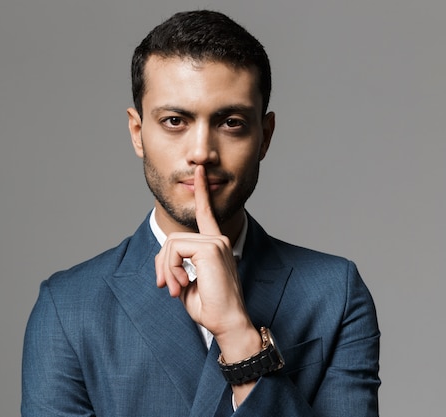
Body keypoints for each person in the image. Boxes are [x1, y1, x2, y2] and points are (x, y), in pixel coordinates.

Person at [21, 10, 380, 417]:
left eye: (231, 122)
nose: (201, 153)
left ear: (265, 136)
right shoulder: (68, 307)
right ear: (138, 133)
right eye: (175, 121)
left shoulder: (335, 292)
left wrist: (239, 336)